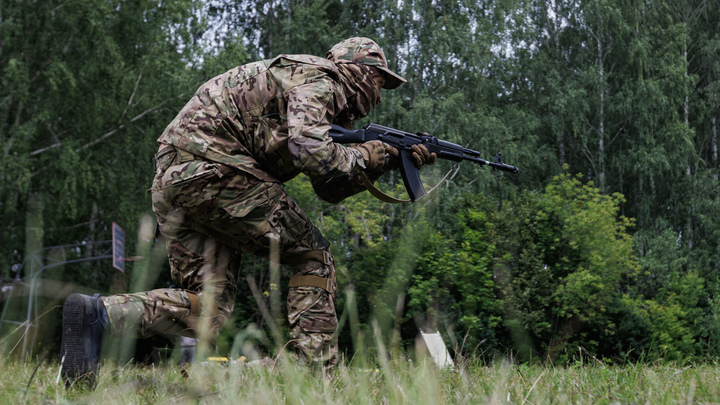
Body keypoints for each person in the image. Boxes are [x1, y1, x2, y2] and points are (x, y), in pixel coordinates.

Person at [60, 37, 436, 386]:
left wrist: (380, 163)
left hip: (177, 176)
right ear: (355, 69)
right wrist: (366, 154)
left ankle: (99, 315)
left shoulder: (317, 95)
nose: (378, 94)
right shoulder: (322, 79)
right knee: (313, 257)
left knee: (208, 308)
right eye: (377, 80)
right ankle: (314, 369)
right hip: (216, 169)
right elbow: (310, 150)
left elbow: (328, 187)